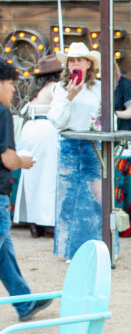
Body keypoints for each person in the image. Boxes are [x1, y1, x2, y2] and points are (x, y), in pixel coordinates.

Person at [0, 58, 53, 321]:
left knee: (4, 255)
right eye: (9, 83)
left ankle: (23, 303)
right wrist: (25, 161)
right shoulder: (1, 113)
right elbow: (8, 159)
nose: (12, 90)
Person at [47, 42, 102, 260]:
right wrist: (69, 98)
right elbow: (56, 121)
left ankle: (98, 247)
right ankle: (70, 250)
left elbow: (106, 115)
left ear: (88, 64)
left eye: (79, 60)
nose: (74, 64)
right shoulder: (60, 88)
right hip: (69, 143)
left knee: (96, 196)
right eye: (71, 60)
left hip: (91, 142)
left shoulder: (97, 87)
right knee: (69, 197)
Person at [13, 53, 61, 238]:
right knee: (48, 176)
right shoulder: (55, 87)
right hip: (46, 129)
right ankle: (48, 222)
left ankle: (34, 222)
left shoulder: (35, 91)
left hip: (29, 129)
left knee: (32, 176)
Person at [114, 61, 131, 130]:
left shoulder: (126, 85)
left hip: (123, 130)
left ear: (114, 69)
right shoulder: (99, 84)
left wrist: (113, 114)